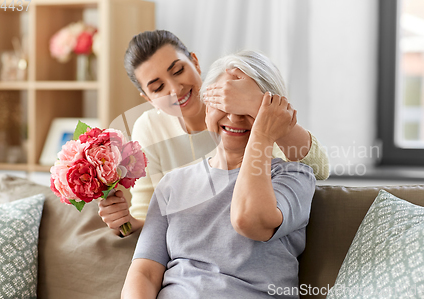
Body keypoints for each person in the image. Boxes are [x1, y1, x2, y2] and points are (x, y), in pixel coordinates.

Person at [121, 50, 316, 299]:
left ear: (272, 116)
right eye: (224, 104)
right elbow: (145, 273)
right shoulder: (172, 184)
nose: (234, 117)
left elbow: (249, 220)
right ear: (206, 106)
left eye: (246, 106)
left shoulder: (295, 176)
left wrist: (264, 134)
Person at [98, 30, 328, 236]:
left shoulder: (248, 114)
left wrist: (256, 105)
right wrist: (126, 223)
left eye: (178, 71)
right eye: (158, 88)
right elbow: (152, 219)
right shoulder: (148, 128)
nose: (175, 90)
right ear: (148, 99)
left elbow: (317, 169)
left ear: (195, 62)